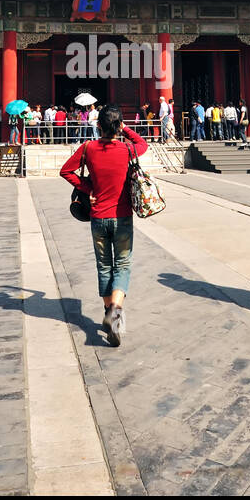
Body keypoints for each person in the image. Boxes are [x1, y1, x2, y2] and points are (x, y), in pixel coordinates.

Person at [59, 104, 148, 348]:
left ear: (98, 126)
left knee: (104, 267)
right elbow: (144, 143)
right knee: (123, 265)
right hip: (122, 216)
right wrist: (125, 129)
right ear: (119, 126)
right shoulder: (128, 149)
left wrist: (89, 189)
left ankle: (112, 318)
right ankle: (115, 314)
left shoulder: (88, 148)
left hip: (98, 216)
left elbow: (66, 171)